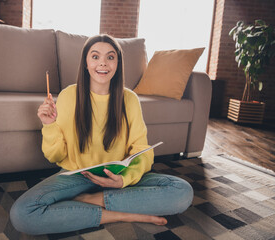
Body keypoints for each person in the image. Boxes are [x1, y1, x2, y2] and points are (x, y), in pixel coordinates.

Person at [10, 34, 193, 235]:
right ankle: (122, 213)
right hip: (77, 177)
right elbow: (55, 156)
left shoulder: (129, 99)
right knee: (22, 214)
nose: (103, 63)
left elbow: (142, 150)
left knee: (182, 192)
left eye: (110, 57)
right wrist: (49, 125)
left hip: (118, 176)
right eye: (95, 56)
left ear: (118, 63)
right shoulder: (68, 96)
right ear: (86, 63)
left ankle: (91, 201)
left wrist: (124, 180)